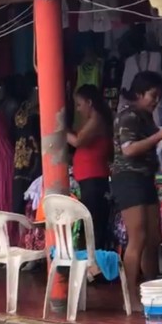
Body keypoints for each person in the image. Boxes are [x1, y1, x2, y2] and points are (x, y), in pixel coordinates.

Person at [111, 71, 162, 312]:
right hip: (128, 179)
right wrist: (160, 135)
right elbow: (129, 149)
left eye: (159, 96)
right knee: (137, 238)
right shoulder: (129, 116)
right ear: (138, 93)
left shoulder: (146, 116)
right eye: (152, 95)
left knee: (153, 238)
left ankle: (151, 288)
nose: (156, 101)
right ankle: (130, 296)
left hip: (146, 179)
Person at [68, 84, 114, 250]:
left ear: (89, 102)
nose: (78, 109)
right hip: (89, 179)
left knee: (93, 225)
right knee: (92, 224)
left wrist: (59, 129)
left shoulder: (97, 120)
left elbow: (78, 141)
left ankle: (95, 266)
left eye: (79, 104)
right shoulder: (94, 120)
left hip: (93, 179)